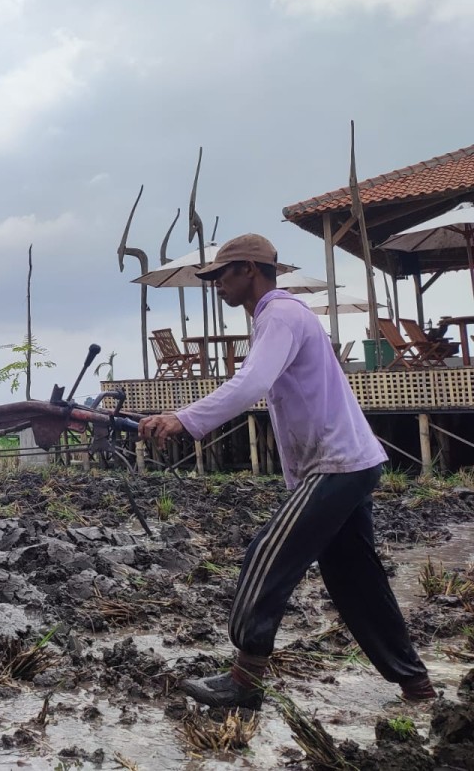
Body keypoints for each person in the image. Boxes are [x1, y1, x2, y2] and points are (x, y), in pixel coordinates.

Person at [138, 233, 436, 710]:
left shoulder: (279, 313)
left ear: (249, 270)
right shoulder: (282, 316)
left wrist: (183, 418)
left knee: (266, 556)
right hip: (349, 462)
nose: (216, 285)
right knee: (356, 580)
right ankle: (417, 687)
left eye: (222, 275)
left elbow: (251, 382)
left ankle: (244, 680)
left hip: (336, 465)